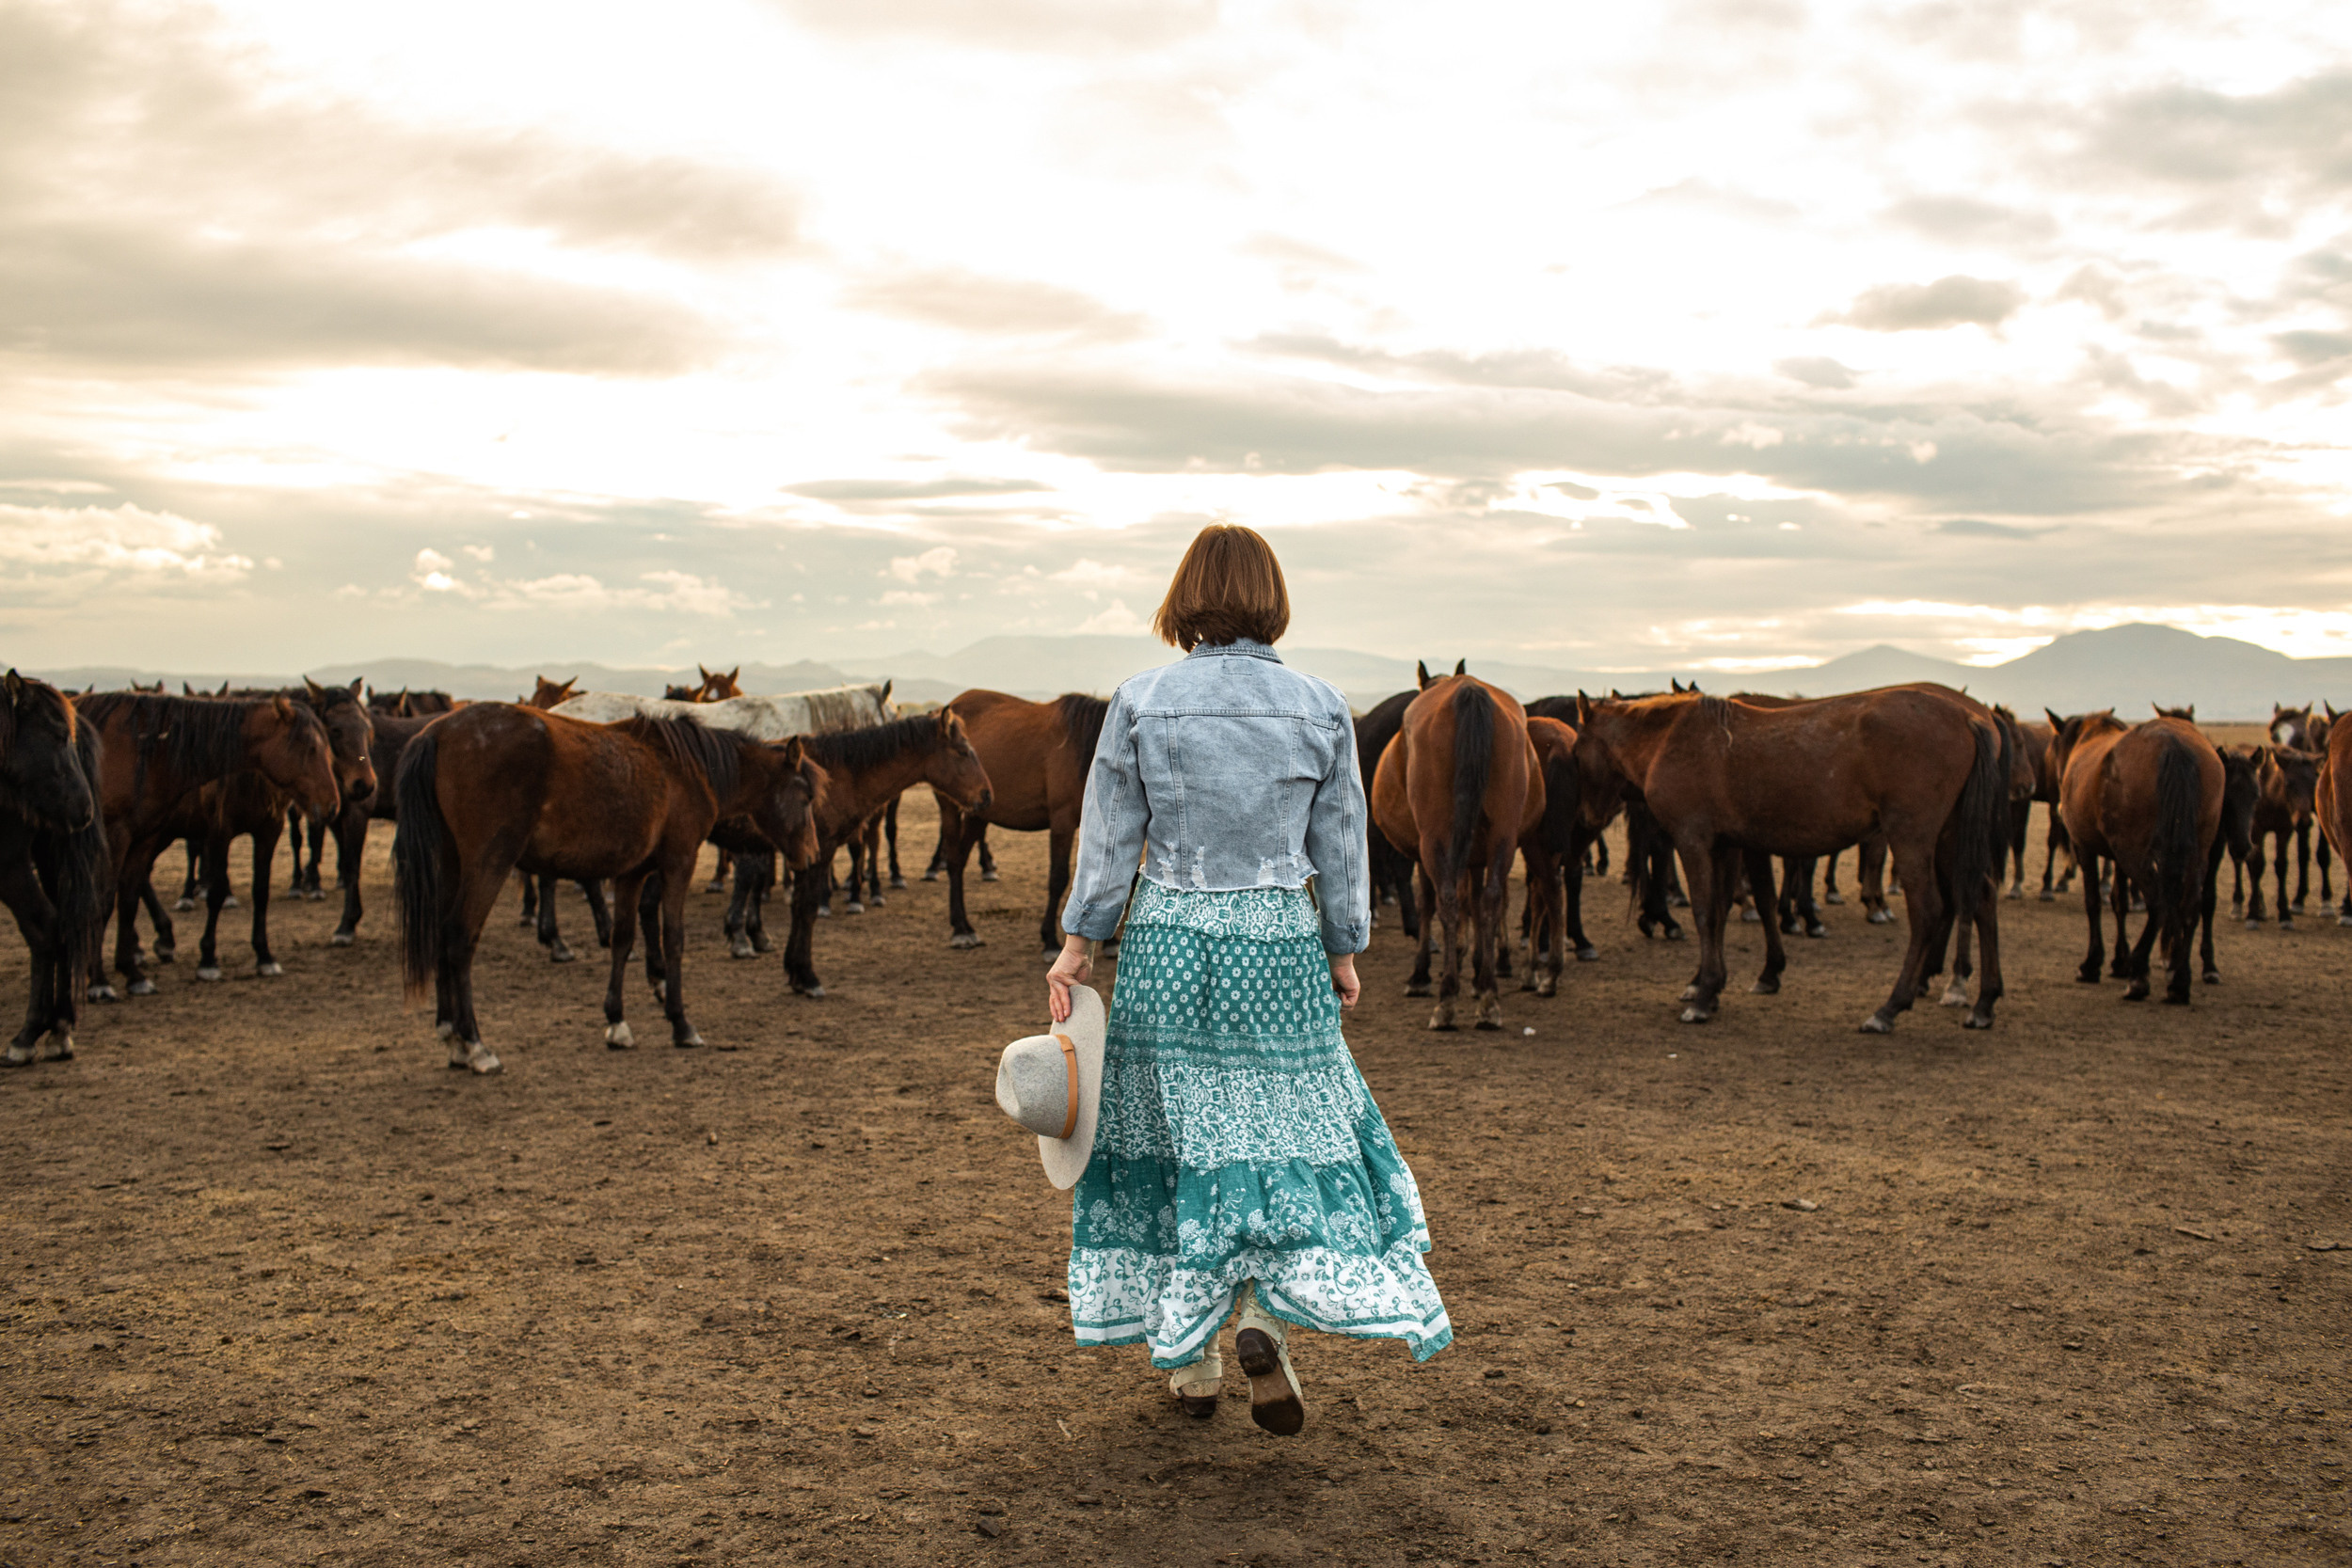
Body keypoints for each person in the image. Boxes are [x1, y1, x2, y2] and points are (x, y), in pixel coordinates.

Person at [1045, 523, 1451, 1436]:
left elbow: (1107, 839)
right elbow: (1341, 845)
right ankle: (1264, 1315)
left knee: (1180, 1135)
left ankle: (1191, 1355)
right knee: (1280, 1132)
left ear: (1184, 597)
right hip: (1275, 940)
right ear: (1271, 598)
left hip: (1169, 939)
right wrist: (1343, 949)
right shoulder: (1318, 705)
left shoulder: (1141, 700)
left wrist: (1079, 943)